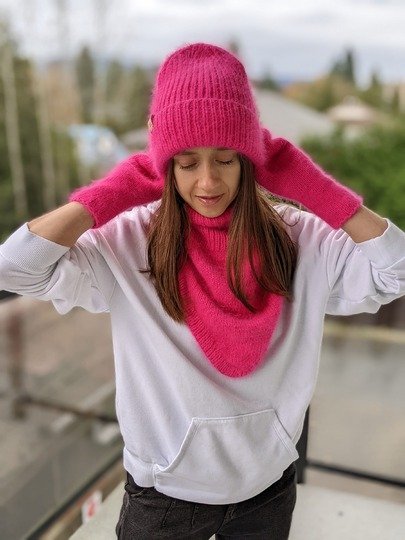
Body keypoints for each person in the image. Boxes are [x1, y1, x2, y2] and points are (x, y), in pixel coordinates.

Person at [1, 42, 405, 540]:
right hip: (163, 497)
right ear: (164, 165)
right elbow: (14, 268)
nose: (208, 181)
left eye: (226, 159)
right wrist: (111, 193)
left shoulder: (300, 239)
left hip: (268, 489)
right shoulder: (130, 241)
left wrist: (316, 189)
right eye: (187, 162)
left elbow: (397, 272)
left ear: (250, 161)